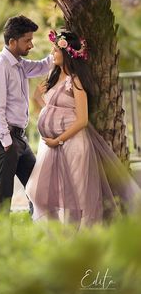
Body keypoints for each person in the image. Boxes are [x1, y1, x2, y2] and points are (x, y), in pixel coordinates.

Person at [25, 29, 140, 228]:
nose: (52, 54)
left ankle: (81, 239)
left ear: (67, 53)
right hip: (51, 146)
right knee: (37, 191)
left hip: (73, 143)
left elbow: (82, 120)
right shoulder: (52, 79)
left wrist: (58, 139)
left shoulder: (76, 81)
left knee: (77, 197)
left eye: (55, 51)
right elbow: (49, 112)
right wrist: (36, 98)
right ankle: (60, 235)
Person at [0, 15, 53, 215]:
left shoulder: (19, 63)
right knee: (3, 197)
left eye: (31, 40)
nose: (31, 44)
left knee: (36, 187)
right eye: (27, 40)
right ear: (12, 41)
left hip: (17, 137)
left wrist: (60, 47)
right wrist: (7, 142)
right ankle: (1, 243)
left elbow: (43, 66)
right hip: (3, 137)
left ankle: (37, 229)